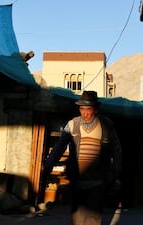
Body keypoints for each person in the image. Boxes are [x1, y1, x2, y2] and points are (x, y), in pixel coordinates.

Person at [43, 90, 123, 225]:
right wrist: (49, 163)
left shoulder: (106, 126)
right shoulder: (72, 125)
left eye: (88, 109)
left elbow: (117, 150)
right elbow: (60, 146)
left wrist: (115, 173)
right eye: (82, 109)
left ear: (96, 110)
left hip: (98, 182)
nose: (85, 113)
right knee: (78, 220)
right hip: (77, 181)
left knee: (93, 219)